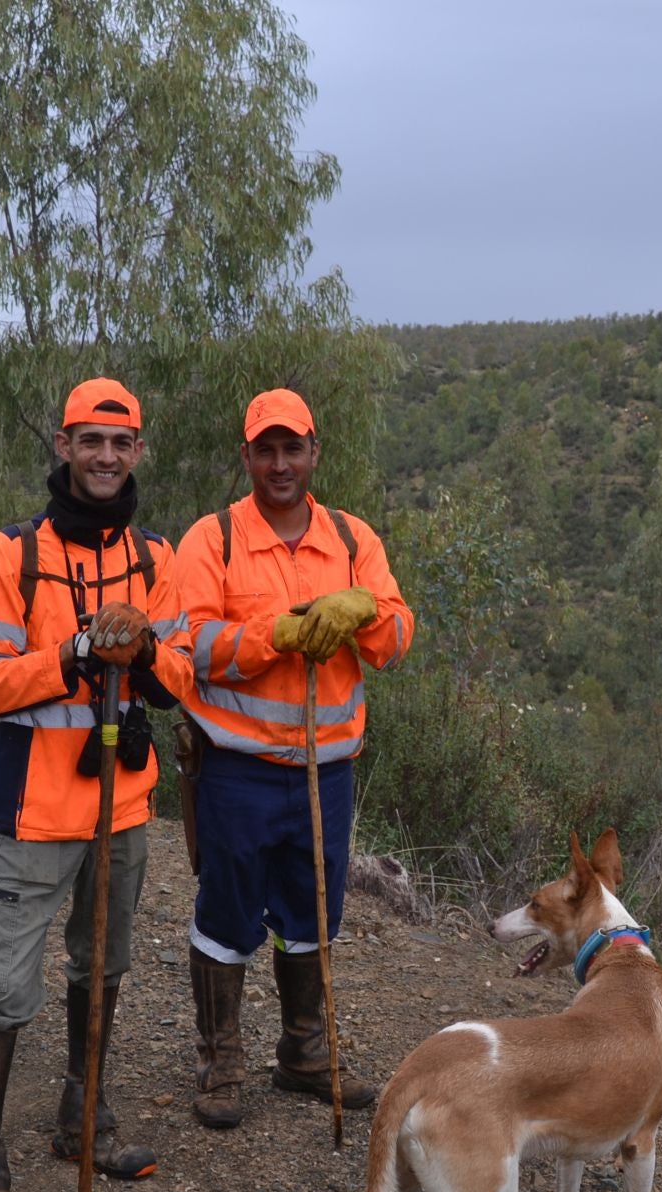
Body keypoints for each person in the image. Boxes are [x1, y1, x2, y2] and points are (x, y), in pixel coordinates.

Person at [0, 377, 192, 1192]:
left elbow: (181, 687)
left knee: (106, 964)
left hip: (122, 806)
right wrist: (78, 651)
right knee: (7, 986)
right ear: (62, 445)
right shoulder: (8, 554)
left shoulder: (157, 559)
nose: (104, 457)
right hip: (32, 810)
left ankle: (79, 1114)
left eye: (119, 443)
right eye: (89, 440)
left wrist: (150, 652)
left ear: (137, 452)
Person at [173, 387, 415, 1130]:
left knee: (314, 910)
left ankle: (305, 1054)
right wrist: (273, 635)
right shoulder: (210, 540)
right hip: (236, 767)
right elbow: (190, 648)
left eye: (293, 448)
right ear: (246, 456)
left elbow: (398, 635)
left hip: (326, 769)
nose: (280, 463)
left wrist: (362, 611)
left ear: (316, 452)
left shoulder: (350, 540)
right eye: (265, 449)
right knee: (228, 910)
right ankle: (222, 1059)